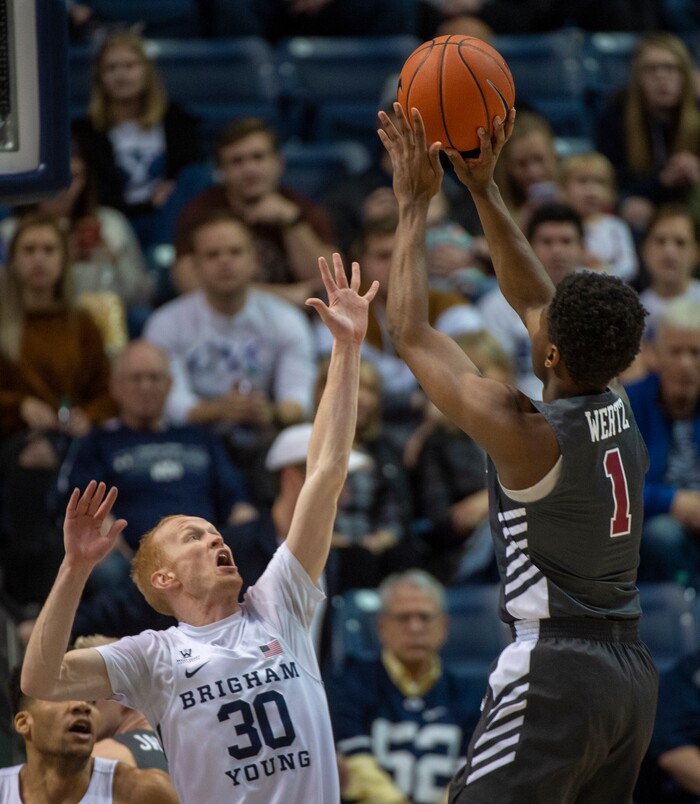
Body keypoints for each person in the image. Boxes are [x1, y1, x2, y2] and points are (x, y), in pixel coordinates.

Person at [20, 252, 379, 804]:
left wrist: (347, 348)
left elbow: (326, 473)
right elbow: (40, 680)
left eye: (214, 531)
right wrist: (74, 569)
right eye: (193, 536)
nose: (216, 538)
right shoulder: (154, 657)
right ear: (163, 579)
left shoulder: (277, 602)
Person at [378, 104, 657, 802]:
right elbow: (536, 296)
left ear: (553, 351)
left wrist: (413, 204)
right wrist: (483, 189)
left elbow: (411, 335)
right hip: (628, 674)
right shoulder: (614, 393)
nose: (532, 314)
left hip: (558, 670)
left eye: (542, 325)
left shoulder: (529, 433)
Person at [144, 211, 318, 505]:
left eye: (235, 252)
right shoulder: (166, 323)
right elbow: (171, 405)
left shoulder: (286, 320)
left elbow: (299, 400)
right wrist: (220, 409)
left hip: (265, 435)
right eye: (212, 255)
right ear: (196, 266)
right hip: (193, 439)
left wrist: (271, 412)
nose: (225, 262)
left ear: (254, 260)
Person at [55, 339, 254, 592]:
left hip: (204, 556)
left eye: (154, 378)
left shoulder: (201, 438)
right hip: (132, 562)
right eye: (136, 378)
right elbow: (81, 505)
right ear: (115, 387)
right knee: (105, 568)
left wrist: (249, 536)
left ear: (169, 385)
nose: (145, 386)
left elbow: (237, 501)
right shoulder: (97, 443)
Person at [0, 213, 115, 609]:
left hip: (73, 439)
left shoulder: (81, 322)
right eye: (28, 250)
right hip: (10, 441)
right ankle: (33, 595)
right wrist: (18, 405)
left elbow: (107, 392)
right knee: (32, 462)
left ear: (64, 259)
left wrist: (89, 414)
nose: (39, 260)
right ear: (12, 259)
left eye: (49, 250)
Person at [314, 215, 484, 449]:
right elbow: (332, 388)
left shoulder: (452, 309)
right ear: (360, 263)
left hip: (438, 431)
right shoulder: (342, 311)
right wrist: (416, 399)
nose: (395, 265)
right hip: (366, 433)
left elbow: (483, 377)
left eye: (403, 254)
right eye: (384, 256)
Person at [330, 570, 477, 804]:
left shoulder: (471, 694)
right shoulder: (348, 685)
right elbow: (354, 762)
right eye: (403, 618)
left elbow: (474, 774)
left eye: (425, 617)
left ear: (443, 626)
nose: (415, 627)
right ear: (381, 627)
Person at [172, 117, 337, 305]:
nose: (249, 169)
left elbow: (329, 283)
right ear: (221, 170)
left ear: (279, 162)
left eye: (258, 157)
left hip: (295, 321)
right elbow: (190, 286)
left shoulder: (303, 209)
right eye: (237, 161)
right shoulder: (199, 213)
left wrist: (291, 222)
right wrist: (285, 295)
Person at [72, 31, 201, 248]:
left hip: (167, 217)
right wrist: (147, 203)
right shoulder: (85, 132)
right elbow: (95, 194)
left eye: (130, 66)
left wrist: (173, 190)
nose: (121, 75)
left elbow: (190, 173)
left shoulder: (177, 120)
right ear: (99, 77)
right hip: (117, 221)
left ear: (147, 71)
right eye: (111, 68)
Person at [1, 664, 177, 803]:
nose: (82, 705)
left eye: (90, 699)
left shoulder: (145, 792)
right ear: (24, 723)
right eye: (60, 695)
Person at [625, 297, 700, 586]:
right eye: (676, 351)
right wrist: (672, 501)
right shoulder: (629, 404)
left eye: (695, 352)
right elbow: (611, 487)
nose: (685, 364)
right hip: (656, 526)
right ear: (654, 354)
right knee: (662, 534)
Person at [478, 200, 586, 399]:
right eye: (546, 241)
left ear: (582, 247)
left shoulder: (600, 302)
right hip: (522, 414)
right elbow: (495, 374)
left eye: (566, 241)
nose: (557, 250)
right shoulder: (496, 305)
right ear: (528, 247)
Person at [595, 32, 700, 234]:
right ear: (637, 77)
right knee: (635, 209)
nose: (662, 77)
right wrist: (662, 180)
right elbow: (612, 181)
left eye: (671, 68)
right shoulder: (615, 115)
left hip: (689, 205)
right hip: (644, 204)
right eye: (651, 69)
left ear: (685, 76)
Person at [72, 635, 172, 773]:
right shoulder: (184, 752)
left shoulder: (100, 758)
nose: (81, 707)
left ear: (126, 690)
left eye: (90, 699)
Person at [559, 151, 639, 284]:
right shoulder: (560, 227)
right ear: (564, 188)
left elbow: (630, 266)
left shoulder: (616, 226)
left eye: (599, 182)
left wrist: (603, 270)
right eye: (582, 181)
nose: (591, 190)